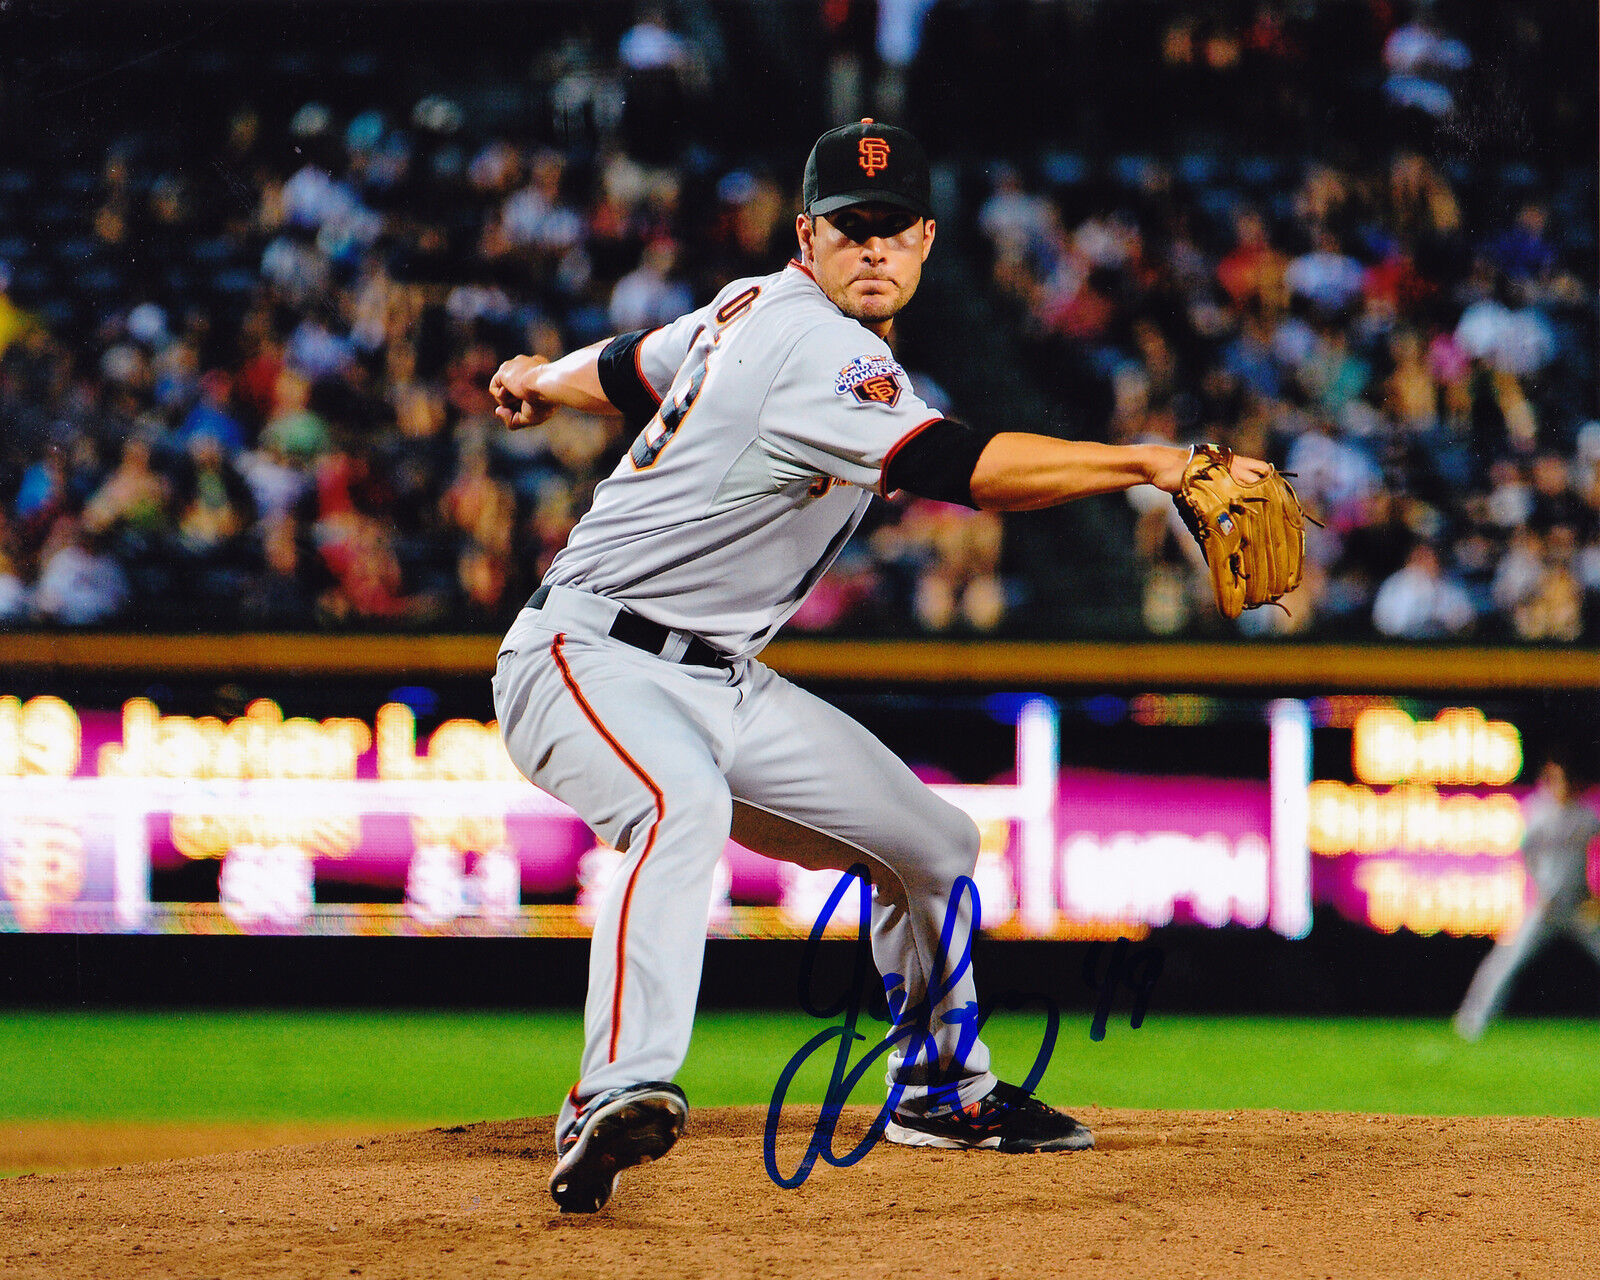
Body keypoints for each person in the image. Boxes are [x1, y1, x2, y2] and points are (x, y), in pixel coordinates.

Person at [488, 120, 1274, 1214]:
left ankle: (941, 1087)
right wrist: (1146, 459)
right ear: (807, 236)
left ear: (925, 240)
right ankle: (611, 1091)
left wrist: (537, 375)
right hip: (584, 655)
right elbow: (955, 467)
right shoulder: (815, 340)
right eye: (849, 228)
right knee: (678, 807)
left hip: (720, 677)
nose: (872, 248)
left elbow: (627, 367)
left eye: (891, 228)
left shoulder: (743, 304)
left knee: (934, 847)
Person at [1454, 753, 1600, 1041]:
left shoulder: (1586, 816)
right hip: (1544, 905)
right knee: (1507, 960)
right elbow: (1524, 856)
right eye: (1556, 779)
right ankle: (1472, 1020)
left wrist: (1593, 895)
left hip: (1577, 905)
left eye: (1566, 780)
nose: (1561, 786)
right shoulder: (1536, 812)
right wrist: (1536, 890)